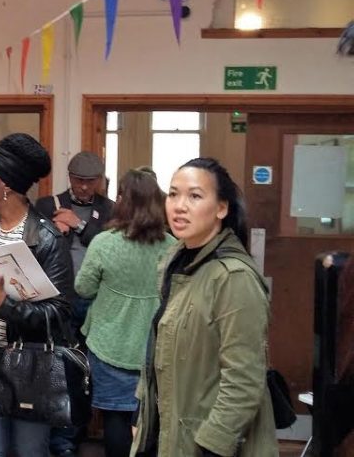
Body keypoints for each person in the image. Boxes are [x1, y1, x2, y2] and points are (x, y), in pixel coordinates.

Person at [131, 158, 278, 457]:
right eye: (173, 194)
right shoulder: (178, 261)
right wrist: (143, 415)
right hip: (170, 433)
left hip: (207, 445)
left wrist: (211, 445)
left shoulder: (233, 277)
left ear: (221, 208)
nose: (179, 206)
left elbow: (244, 381)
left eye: (195, 196)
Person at [0, 133, 74, 457]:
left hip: (28, 360)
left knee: (29, 450)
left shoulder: (47, 238)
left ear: (5, 186)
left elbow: (60, 313)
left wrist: (6, 306)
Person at [75, 169, 175, 457]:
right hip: (155, 349)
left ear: (122, 201)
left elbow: (83, 288)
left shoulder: (104, 242)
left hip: (108, 345)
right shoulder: (171, 247)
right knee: (152, 420)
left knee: (115, 419)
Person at [35, 150, 113, 457]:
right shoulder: (48, 205)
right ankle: (60, 442)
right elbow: (35, 242)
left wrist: (79, 225)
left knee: (87, 373)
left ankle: (77, 433)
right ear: (69, 179)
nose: (83, 188)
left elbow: (111, 245)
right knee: (59, 371)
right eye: (79, 181)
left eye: (90, 182)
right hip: (58, 300)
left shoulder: (109, 209)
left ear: (100, 181)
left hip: (95, 303)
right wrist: (57, 228)